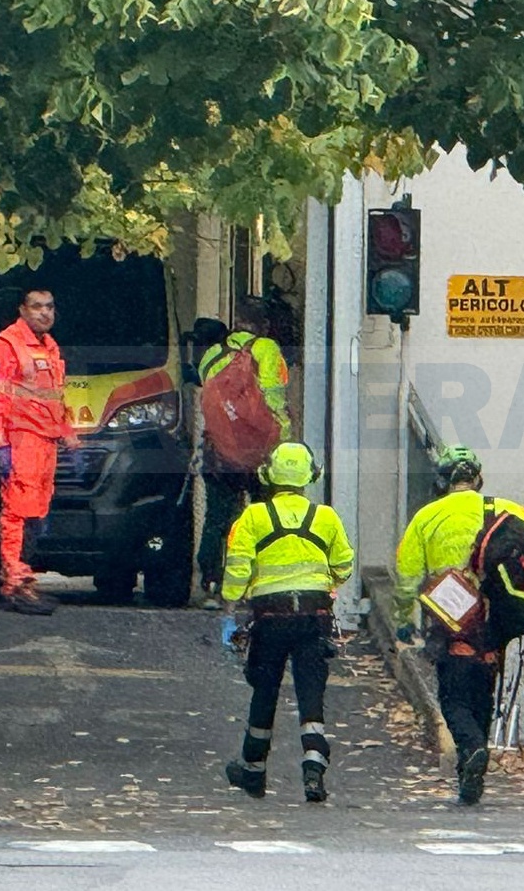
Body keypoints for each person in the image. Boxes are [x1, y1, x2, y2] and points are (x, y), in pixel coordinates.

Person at [393, 445, 524, 805]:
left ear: (441, 481)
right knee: (483, 690)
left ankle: (470, 749)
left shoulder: (426, 517)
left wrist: (404, 622)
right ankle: (476, 763)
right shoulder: (507, 509)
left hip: (449, 614)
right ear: (477, 479)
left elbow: (405, 578)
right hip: (494, 613)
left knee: (452, 696)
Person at [220, 442, 353, 803]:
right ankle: (313, 766)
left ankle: (253, 770)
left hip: (270, 618)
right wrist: (325, 586)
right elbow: (343, 565)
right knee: (311, 689)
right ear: (311, 476)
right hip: (313, 617)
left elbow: (237, 569)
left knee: (264, 689)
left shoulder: (253, 517)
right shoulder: (325, 517)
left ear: (269, 475)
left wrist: (232, 609)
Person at [0, 289, 83, 615]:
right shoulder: (7, 346)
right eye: (37, 307)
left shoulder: (49, 347)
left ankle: (23, 580)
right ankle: (14, 584)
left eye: (50, 306)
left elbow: (54, 400)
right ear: (22, 310)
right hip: (21, 439)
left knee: (35, 515)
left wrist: (70, 439)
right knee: (17, 514)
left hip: (45, 442)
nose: (44, 313)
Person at [196, 296, 293, 599]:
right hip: (260, 455)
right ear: (264, 325)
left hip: (220, 452)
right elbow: (274, 402)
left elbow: (212, 402)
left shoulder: (212, 354)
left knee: (217, 517)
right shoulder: (268, 350)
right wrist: (282, 443)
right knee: (266, 516)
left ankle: (212, 581)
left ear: (236, 321)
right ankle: (263, 582)